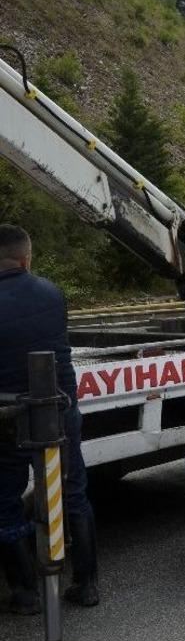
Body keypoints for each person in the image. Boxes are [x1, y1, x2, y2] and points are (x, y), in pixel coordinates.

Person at [0, 224, 99, 614]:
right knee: (73, 492)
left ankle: (25, 593)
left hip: (7, 418)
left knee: (5, 502)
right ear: (26, 259)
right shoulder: (52, 293)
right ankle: (86, 584)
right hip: (57, 411)